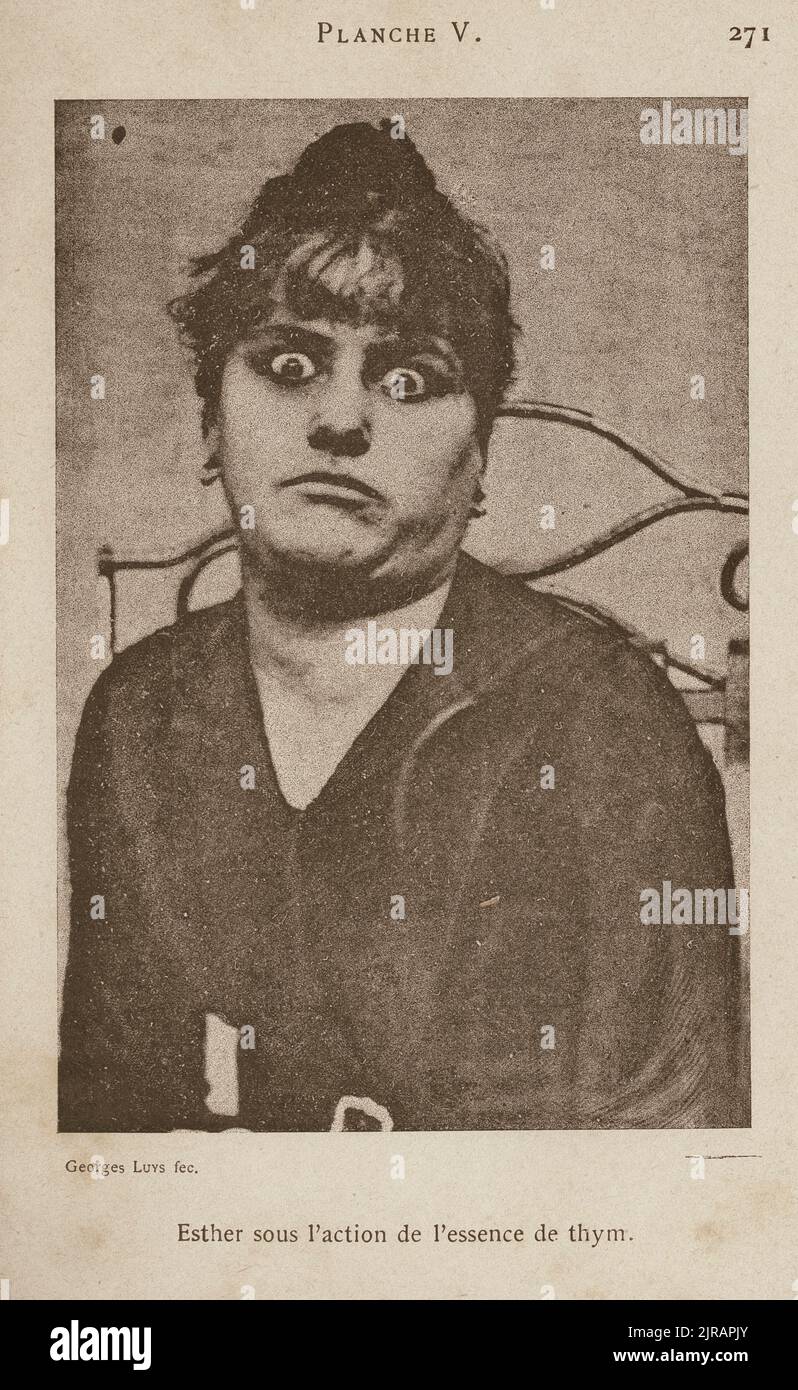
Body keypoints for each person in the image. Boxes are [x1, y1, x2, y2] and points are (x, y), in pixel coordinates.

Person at [59, 119, 749, 1132]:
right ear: (212, 421)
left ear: (481, 459)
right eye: (289, 365)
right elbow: (110, 1141)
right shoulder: (141, 714)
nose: (342, 421)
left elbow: (669, 1157)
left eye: (410, 379)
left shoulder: (604, 721)